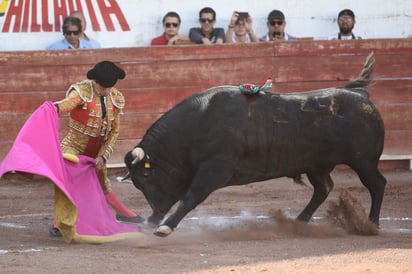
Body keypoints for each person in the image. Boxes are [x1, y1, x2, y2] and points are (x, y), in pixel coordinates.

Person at [49, 61, 144, 236]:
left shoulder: (115, 97)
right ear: (94, 81)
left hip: (97, 150)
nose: (107, 91)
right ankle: (58, 224)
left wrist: (103, 156)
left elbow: (114, 131)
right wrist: (52, 108)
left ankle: (124, 214)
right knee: (68, 182)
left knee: (103, 183)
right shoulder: (81, 92)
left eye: (110, 87)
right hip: (73, 148)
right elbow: (66, 105)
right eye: (104, 86)